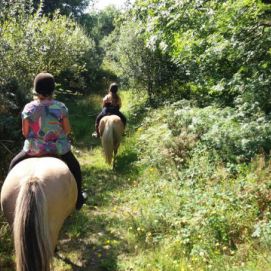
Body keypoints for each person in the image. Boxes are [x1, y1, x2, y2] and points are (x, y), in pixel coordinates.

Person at [9, 72, 86, 210]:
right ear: (52, 89)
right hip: (58, 149)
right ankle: (79, 198)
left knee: (13, 163)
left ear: (36, 89)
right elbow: (67, 130)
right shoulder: (60, 107)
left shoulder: (28, 108)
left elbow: (25, 133)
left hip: (34, 149)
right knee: (75, 167)